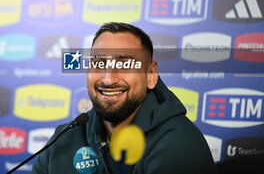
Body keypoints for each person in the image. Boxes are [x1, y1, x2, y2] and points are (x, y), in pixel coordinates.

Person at [31, 22, 218, 174]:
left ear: (151, 75)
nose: (108, 79)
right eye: (99, 63)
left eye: (124, 64)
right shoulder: (64, 138)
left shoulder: (178, 144)